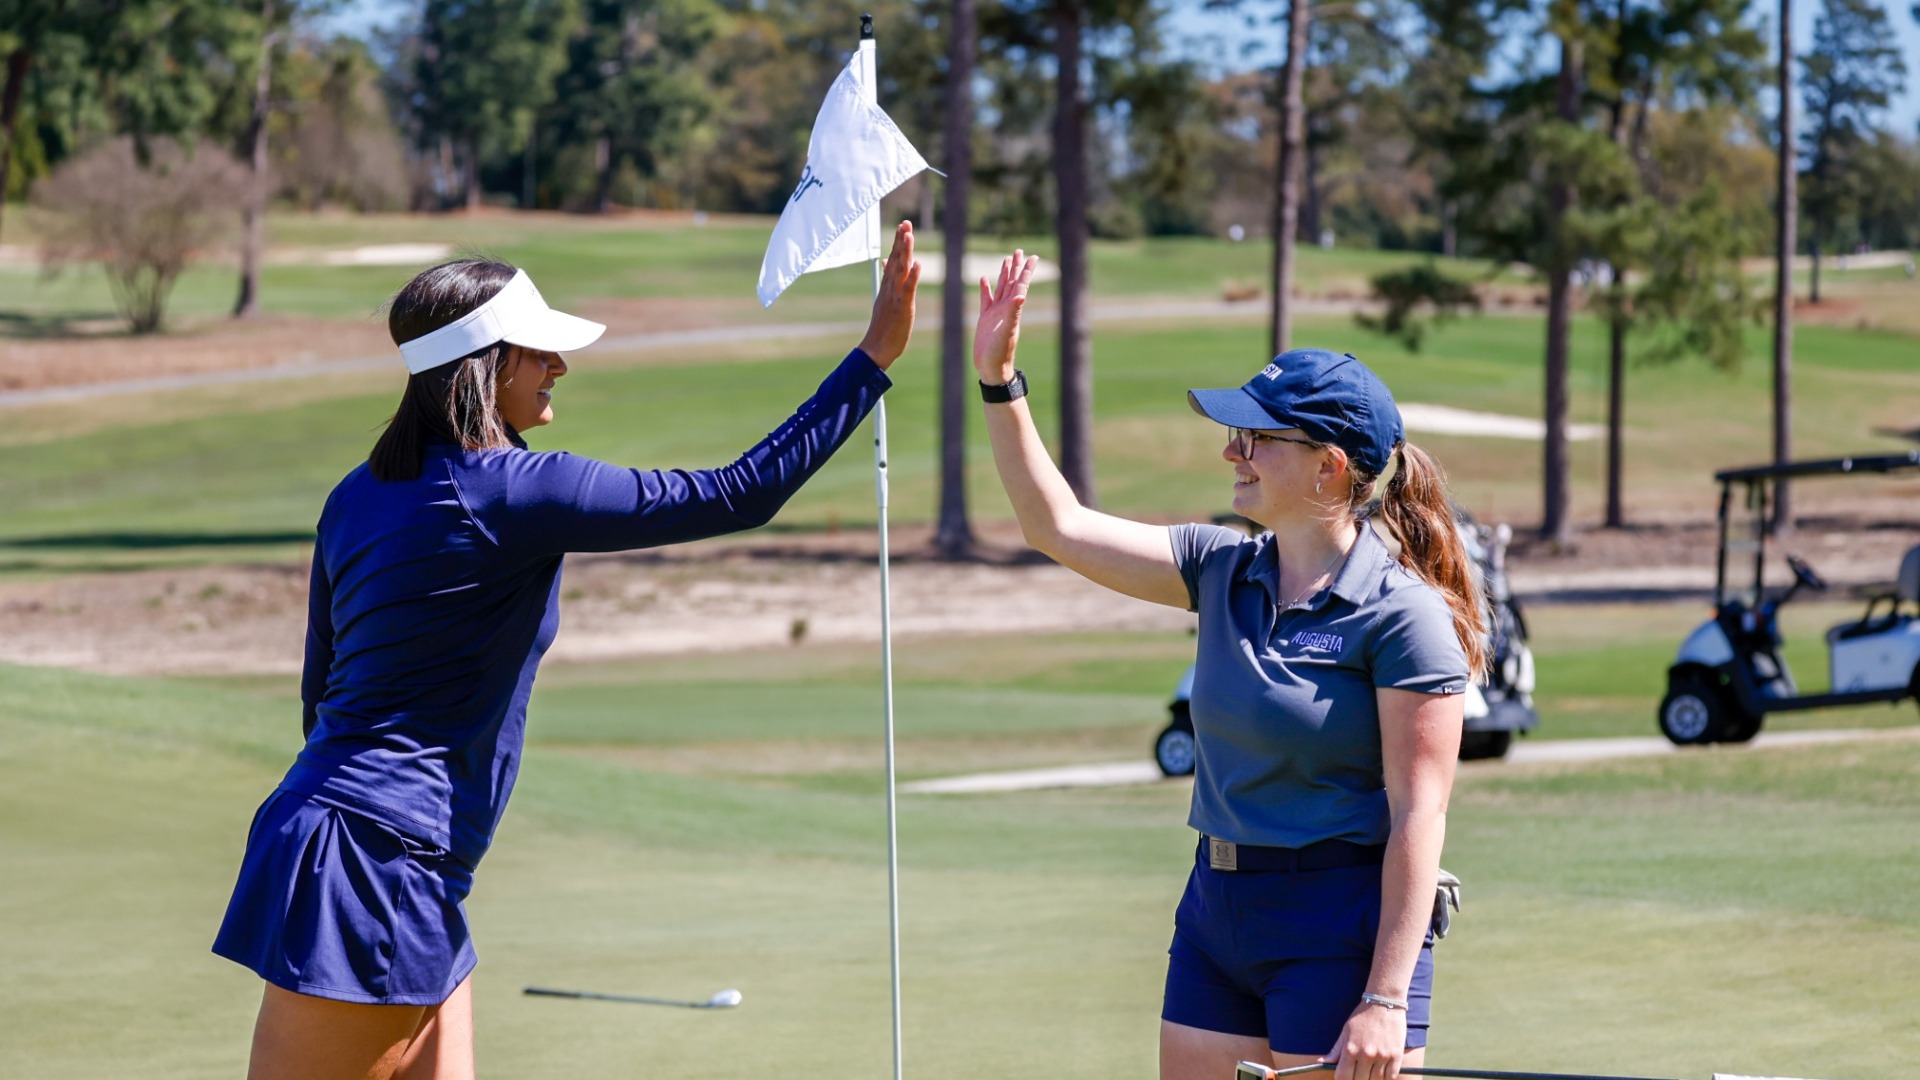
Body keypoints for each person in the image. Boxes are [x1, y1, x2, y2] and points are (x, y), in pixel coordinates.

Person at [212, 223, 922, 1080]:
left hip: (363, 840)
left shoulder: (355, 497)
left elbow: (319, 697)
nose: (559, 365)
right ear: (485, 365)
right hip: (377, 859)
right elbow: (739, 494)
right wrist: (872, 358)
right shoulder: (519, 491)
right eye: (538, 349)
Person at [970, 253, 1485, 1080]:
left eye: (1256, 438)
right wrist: (1001, 384)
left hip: (1338, 925)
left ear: (1329, 466)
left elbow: (1420, 814)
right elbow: (1055, 526)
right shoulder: (1219, 567)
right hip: (1216, 913)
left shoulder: (1403, 615)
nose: (1231, 452)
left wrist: (1386, 999)